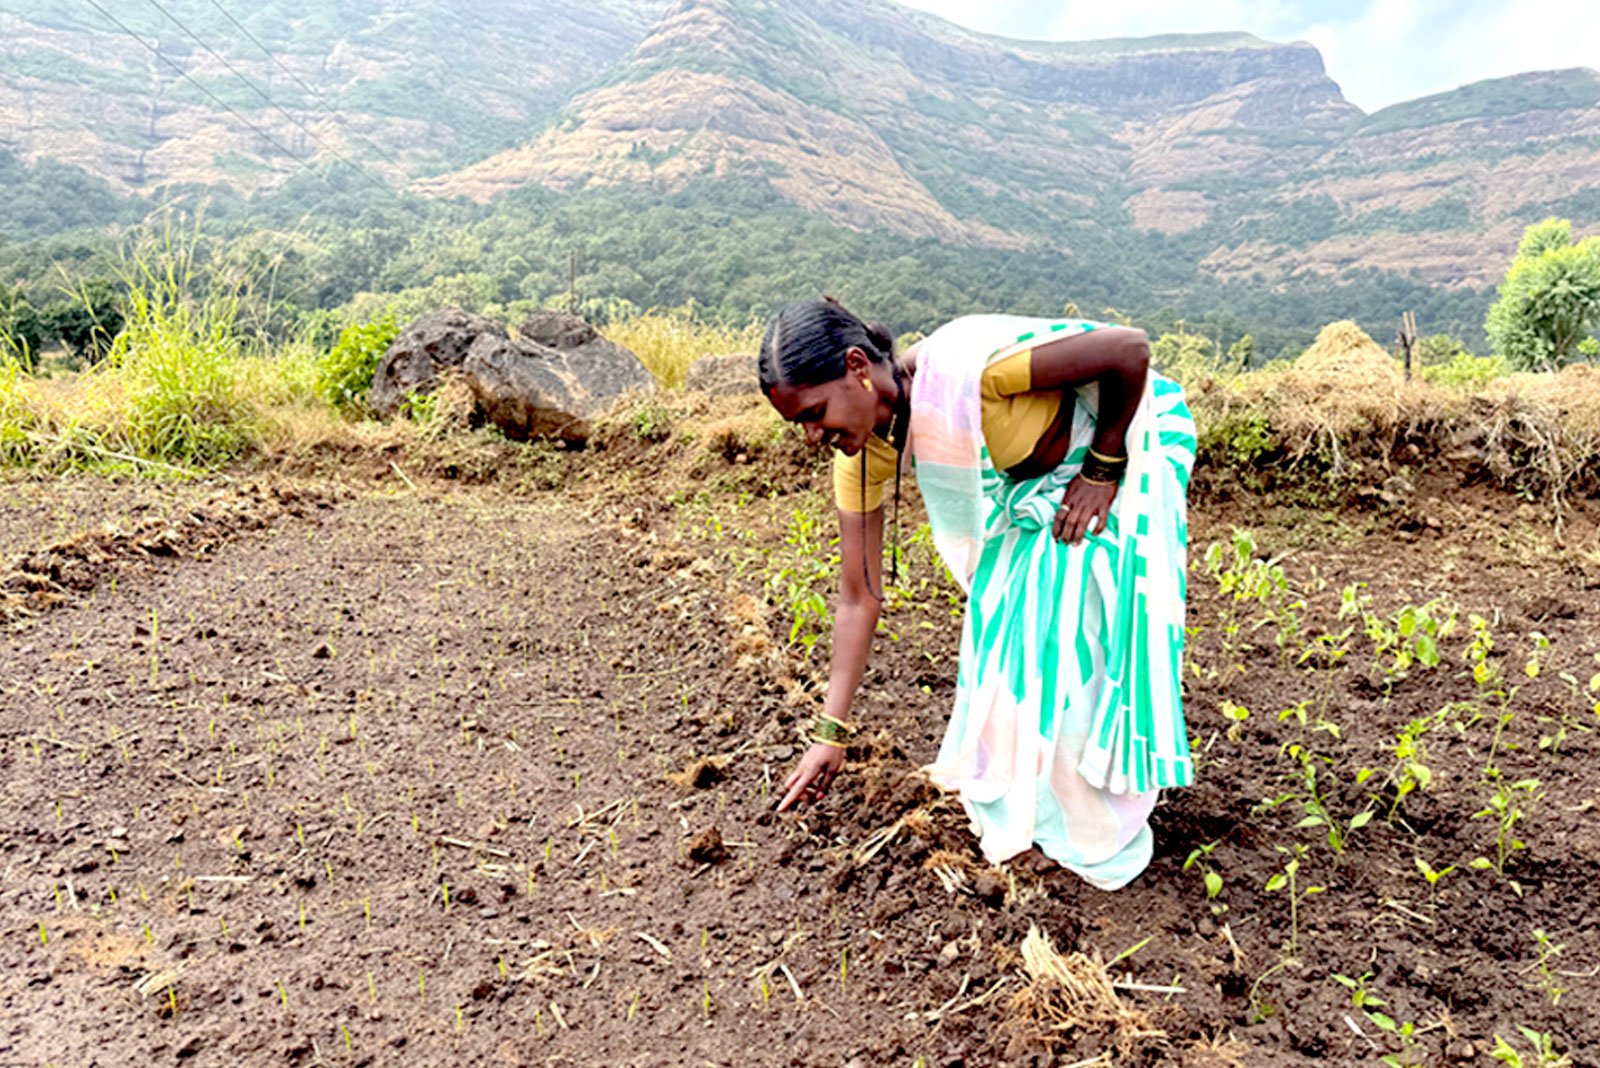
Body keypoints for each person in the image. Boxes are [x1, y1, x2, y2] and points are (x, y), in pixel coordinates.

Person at [758, 299, 1196, 890]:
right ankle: (1040, 809)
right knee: (1001, 645)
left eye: (815, 413)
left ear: (858, 366)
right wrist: (830, 733)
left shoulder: (969, 369)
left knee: (1070, 644)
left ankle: (1099, 818)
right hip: (1037, 495)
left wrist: (1103, 466)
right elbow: (858, 596)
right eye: (801, 425)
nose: (813, 436)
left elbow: (1128, 350)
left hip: (1119, 445)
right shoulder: (862, 452)